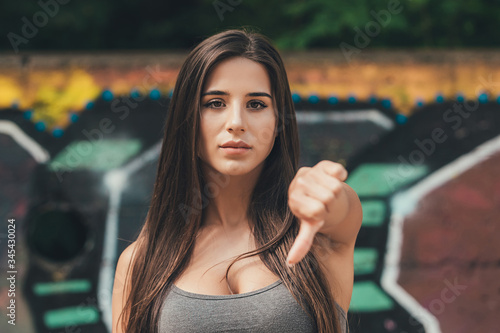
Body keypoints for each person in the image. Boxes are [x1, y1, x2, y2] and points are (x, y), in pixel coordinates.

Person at [111, 27, 363, 333]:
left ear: (278, 120)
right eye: (215, 103)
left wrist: (328, 197)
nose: (236, 123)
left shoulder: (317, 235)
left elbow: (340, 209)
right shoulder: (141, 262)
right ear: (187, 118)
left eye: (256, 104)